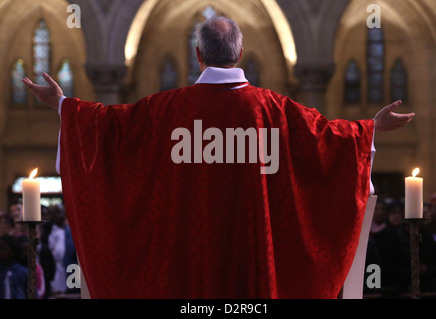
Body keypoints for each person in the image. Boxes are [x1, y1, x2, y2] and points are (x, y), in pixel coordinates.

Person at [22, 16, 415, 299]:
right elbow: (330, 142)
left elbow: (107, 129)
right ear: (240, 52)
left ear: (198, 55)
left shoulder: (162, 113)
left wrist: (62, 104)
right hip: (255, 280)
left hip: (184, 282)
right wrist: (370, 129)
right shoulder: (277, 112)